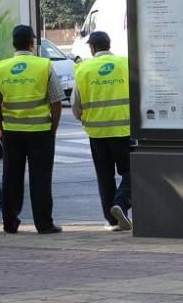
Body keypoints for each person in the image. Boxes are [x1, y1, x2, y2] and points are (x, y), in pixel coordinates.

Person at [0, 24, 63, 234]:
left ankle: (9, 223)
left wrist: (3, 127)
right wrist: (53, 129)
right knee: (41, 178)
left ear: (13, 43)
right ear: (32, 43)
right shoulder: (44, 66)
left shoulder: (0, 68)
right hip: (41, 132)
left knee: (11, 178)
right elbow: (56, 102)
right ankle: (44, 224)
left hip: (12, 132)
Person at [73, 31, 132, 231]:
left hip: (97, 132)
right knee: (132, 171)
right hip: (124, 129)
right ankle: (121, 204)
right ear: (109, 44)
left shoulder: (83, 69)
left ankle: (111, 220)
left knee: (104, 176)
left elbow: (76, 106)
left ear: (92, 47)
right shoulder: (126, 64)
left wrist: (85, 117)